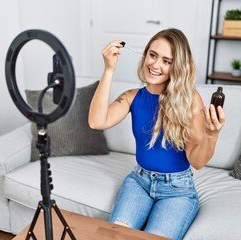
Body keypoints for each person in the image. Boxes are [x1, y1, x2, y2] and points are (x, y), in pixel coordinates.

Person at [88, 28, 225, 240]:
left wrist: (211, 134)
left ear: (176, 67)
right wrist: (108, 70)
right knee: (113, 236)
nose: (155, 65)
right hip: (139, 182)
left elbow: (197, 162)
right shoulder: (132, 97)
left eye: (166, 61)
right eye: (152, 55)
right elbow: (97, 121)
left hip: (177, 191)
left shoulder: (189, 100)